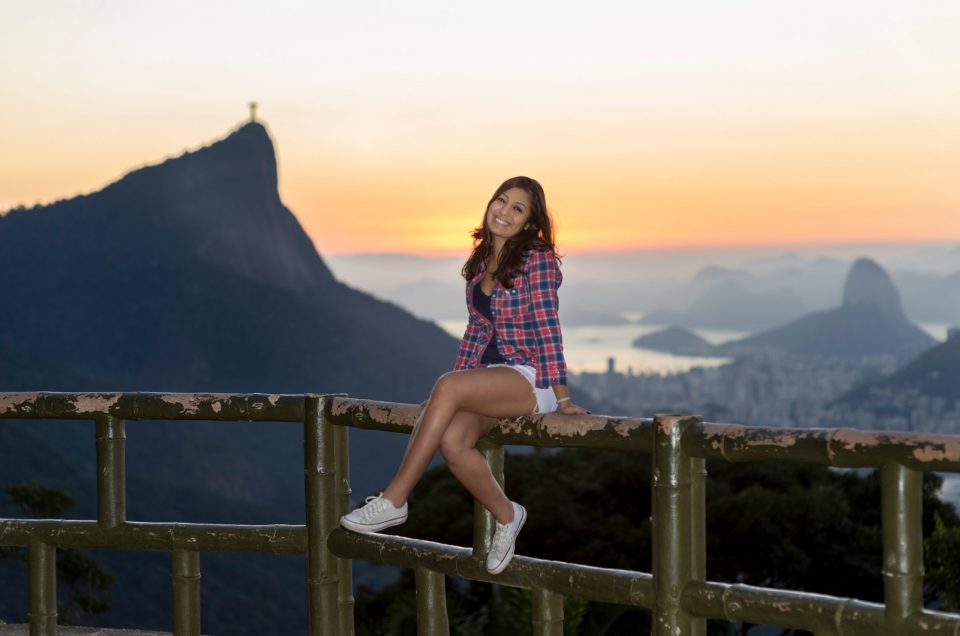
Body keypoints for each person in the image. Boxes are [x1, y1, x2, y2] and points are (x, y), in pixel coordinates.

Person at [340, 176, 588, 574]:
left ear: (529, 223)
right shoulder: (482, 260)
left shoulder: (536, 259)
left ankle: (395, 500)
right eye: (501, 201)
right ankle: (509, 516)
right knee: (454, 442)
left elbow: (547, 326)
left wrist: (561, 399)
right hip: (492, 377)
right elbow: (477, 331)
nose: (504, 212)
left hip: (529, 377)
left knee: (447, 388)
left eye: (517, 209)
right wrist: (450, 396)